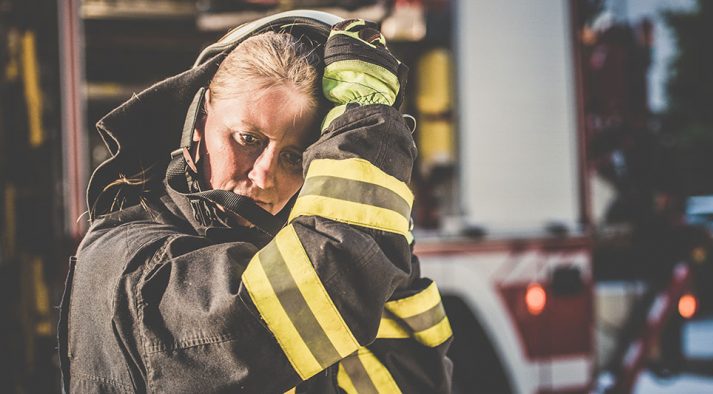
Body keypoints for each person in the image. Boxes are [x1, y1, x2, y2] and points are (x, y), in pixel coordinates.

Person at [58, 11, 453, 393]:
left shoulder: (285, 252)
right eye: (248, 139)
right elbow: (283, 312)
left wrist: (374, 239)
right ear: (198, 122)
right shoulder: (133, 262)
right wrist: (363, 184)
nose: (264, 175)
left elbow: (401, 380)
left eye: (293, 157)